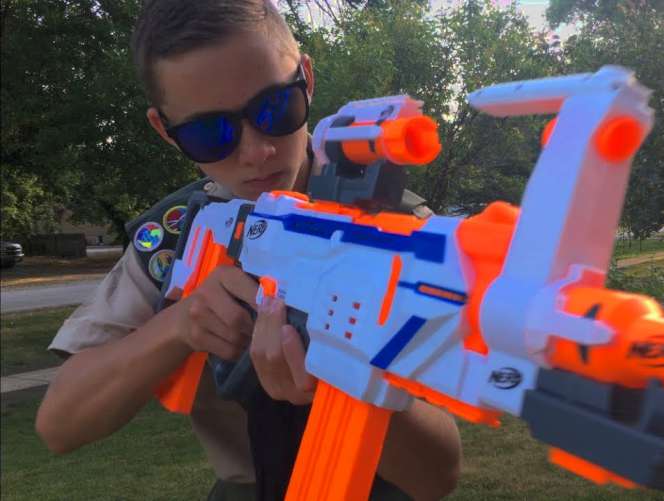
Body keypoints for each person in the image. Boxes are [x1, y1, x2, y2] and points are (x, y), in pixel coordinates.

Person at [34, 1, 462, 500]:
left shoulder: (398, 232)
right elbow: (59, 423)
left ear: (306, 79)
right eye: (209, 133)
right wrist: (179, 325)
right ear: (165, 130)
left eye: (274, 109)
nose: (257, 152)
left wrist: (348, 377)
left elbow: (437, 475)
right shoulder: (180, 234)